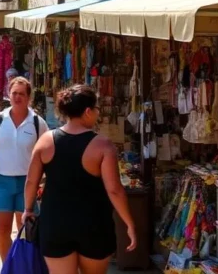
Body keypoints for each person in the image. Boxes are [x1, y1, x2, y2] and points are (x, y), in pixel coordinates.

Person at [23, 84, 136, 274]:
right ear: (87, 111)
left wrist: (27, 209)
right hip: (94, 224)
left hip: (55, 223)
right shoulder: (102, 145)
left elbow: (31, 182)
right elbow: (114, 190)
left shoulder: (45, 140)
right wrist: (129, 223)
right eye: (97, 109)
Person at [0, 77, 48, 262]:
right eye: (14, 93)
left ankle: (22, 267)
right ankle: (7, 267)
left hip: (28, 183)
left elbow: (47, 154)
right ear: (8, 95)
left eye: (21, 94)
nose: (17, 97)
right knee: (2, 229)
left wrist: (45, 179)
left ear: (28, 97)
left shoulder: (38, 123)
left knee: (23, 229)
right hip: (1, 180)